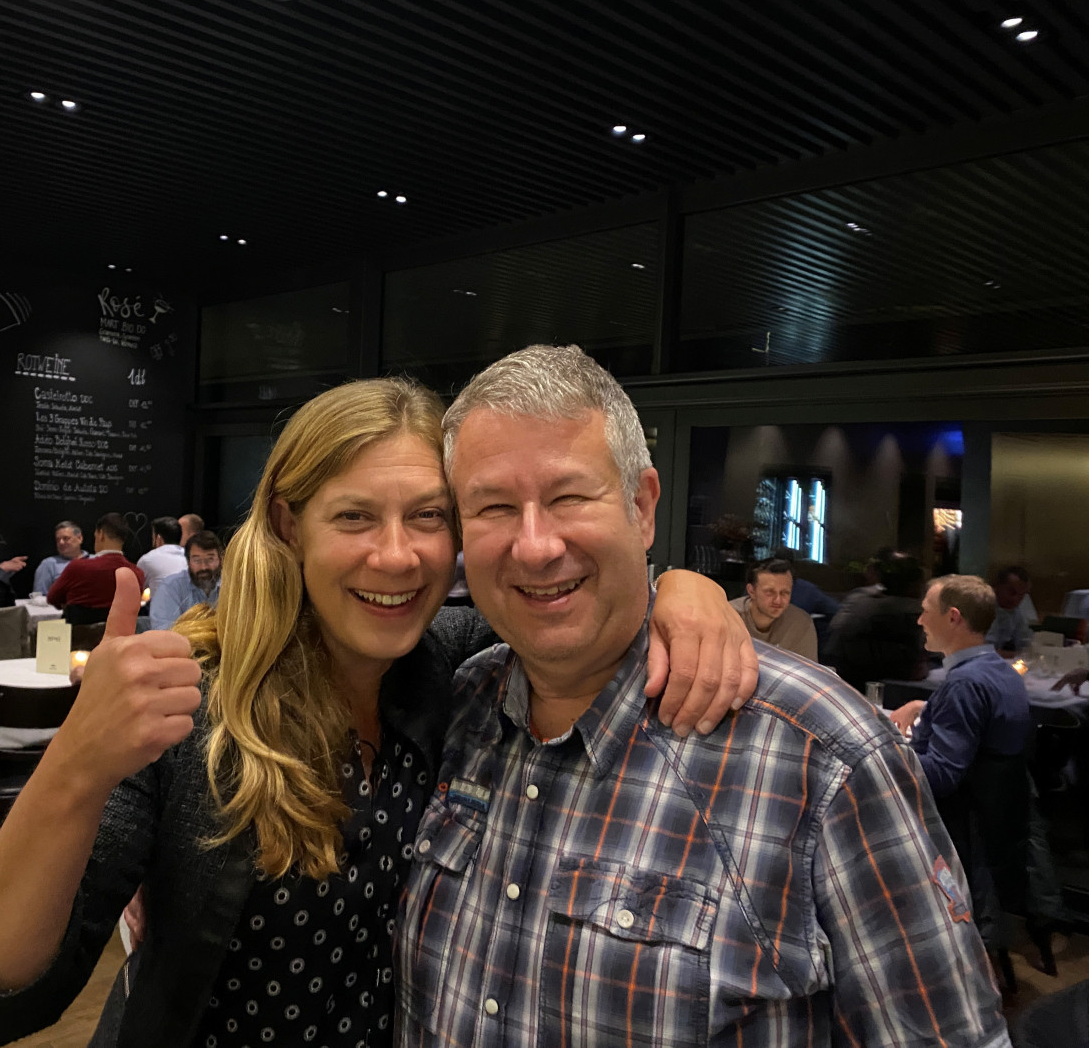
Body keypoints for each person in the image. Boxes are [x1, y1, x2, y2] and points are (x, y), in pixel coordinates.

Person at [0, 375, 757, 1048]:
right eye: (354, 516)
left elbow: (568, 609)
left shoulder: (451, 664)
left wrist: (680, 590)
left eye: (427, 517)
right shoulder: (197, 696)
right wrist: (77, 764)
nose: (396, 557)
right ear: (290, 525)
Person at [398, 345, 1005, 1047]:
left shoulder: (823, 754)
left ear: (642, 507)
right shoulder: (459, 700)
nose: (534, 546)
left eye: (569, 497)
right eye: (494, 507)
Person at [890, 575, 1039, 971]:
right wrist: (926, 708)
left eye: (926, 611)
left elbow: (941, 776)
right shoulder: (1001, 671)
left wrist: (884, 750)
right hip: (994, 832)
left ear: (953, 617)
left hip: (960, 838)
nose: (920, 620)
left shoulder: (964, 684)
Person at [823, 551, 928, 691]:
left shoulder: (858, 598)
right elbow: (918, 668)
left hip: (837, 678)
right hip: (876, 683)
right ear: (914, 584)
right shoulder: (912, 611)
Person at [47, 513, 144, 625]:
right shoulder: (137, 574)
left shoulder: (77, 567)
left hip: (79, 634)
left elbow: (52, 598)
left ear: (101, 534)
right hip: (120, 634)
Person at [730, 556, 819, 660]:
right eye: (770, 592)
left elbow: (806, 668)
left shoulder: (801, 623)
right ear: (751, 591)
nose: (778, 600)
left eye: (785, 593)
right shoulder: (728, 617)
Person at [149, 530, 223, 630]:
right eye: (197, 560)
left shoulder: (233, 585)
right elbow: (164, 631)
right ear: (188, 562)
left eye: (210, 559)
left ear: (220, 559)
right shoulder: (170, 587)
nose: (204, 567)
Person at [986, 565, 1036, 654]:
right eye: (1012, 592)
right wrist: (1015, 655)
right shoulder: (982, 607)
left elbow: (1024, 642)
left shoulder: (1015, 613)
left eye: (1021, 595)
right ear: (996, 586)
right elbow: (983, 651)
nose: (1015, 599)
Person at [135, 516, 186, 603]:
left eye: (152, 537)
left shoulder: (147, 559)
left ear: (158, 538)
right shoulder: (191, 558)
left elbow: (135, 592)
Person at [33, 521, 89, 596]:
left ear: (79, 538)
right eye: (58, 540)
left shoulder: (96, 559)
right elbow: (39, 597)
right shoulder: (48, 564)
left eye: (66, 538)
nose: (61, 542)